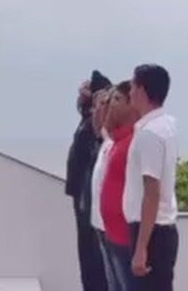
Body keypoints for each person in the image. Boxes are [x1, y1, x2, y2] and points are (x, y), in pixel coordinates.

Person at [124, 64, 179, 291]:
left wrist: (141, 248)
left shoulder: (150, 132)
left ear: (143, 90)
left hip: (152, 231)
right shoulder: (166, 125)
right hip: (161, 231)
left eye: (133, 87)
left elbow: (151, 191)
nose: (130, 93)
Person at [65, 69, 110, 291]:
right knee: (87, 259)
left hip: (91, 203)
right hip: (82, 197)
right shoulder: (86, 121)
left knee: (96, 261)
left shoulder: (99, 131)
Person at [100, 81, 137, 291]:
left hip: (126, 235)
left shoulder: (135, 141)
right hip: (111, 231)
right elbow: (104, 129)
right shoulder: (118, 140)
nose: (111, 105)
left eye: (116, 99)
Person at [90, 87, 115, 288]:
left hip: (114, 229)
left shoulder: (120, 143)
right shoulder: (107, 142)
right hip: (100, 224)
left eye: (104, 105)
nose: (97, 111)